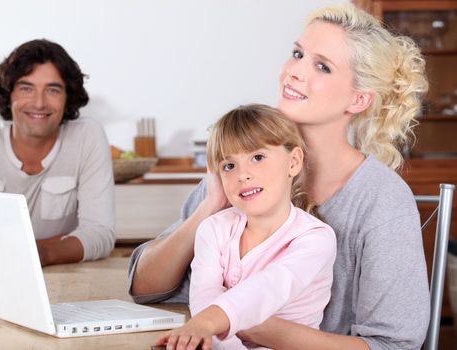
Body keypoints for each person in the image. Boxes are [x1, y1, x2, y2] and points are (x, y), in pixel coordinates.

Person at [129, 3, 430, 350]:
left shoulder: (381, 199)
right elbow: (145, 288)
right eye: (297, 53)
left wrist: (258, 327)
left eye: (322, 66)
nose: (294, 72)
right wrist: (208, 207)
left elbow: (396, 345)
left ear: (359, 99)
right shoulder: (242, 167)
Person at [156, 104, 336, 350]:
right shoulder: (213, 229)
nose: (243, 175)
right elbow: (204, 299)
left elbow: (267, 289)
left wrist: (206, 324)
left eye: (257, 157)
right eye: (228, 166)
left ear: (293, 162)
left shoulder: (316, 239)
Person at [0, 39, 116, 266]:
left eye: (52, 90)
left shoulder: (87, 136)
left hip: (62, 278)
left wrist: (43, 254)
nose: (39, 103)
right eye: (26, 88)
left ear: (67, 97)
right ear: (9, 95)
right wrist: (47, 245)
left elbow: (100, 234)